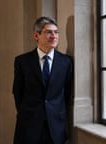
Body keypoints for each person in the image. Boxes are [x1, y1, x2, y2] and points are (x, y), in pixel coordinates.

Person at [12, 16, 73, 144]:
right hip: (29, 125)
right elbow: (18, 92)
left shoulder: (66, 62)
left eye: (56, 32)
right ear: (36, 36)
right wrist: (27, 113)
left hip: (55, 126)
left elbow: (67, 93)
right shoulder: (22, 61)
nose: (54, 36)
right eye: (48, 32)